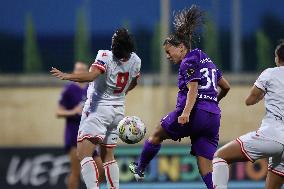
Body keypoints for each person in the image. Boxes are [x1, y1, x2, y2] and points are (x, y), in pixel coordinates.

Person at [129, 5, 230, 189]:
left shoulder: (187, 62)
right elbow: (226, 86)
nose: (167, 56)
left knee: (158, 132)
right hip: (213, 116)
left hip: (193, 114)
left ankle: (139, 168)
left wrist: (186, 112)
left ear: (181, 47)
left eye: (169, 52)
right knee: (205, 167)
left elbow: (193, 89)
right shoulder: (206, 58)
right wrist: (213, 101)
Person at [51, 28, 141, 189]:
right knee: (108, 155)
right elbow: (134, 82)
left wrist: (68, 76)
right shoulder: (136, 60)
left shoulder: (105, 56)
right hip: (118, 111)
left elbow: (92, 76)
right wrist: (122, 93)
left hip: (99, 109)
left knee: (84, 154)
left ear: (115, 45)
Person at [212, 41, 284, 189]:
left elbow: (250, 100)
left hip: (272, 135)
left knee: (220, 156)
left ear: (277, 58)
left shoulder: (270, 73)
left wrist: (264, 93)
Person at [56, 62, 104, 189]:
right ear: (74, 71)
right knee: (76, 172)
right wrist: (73, 111)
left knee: (100, 169)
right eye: (77, 70)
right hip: (73, 135)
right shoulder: (68, 90)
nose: (80, 72)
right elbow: (58, 112)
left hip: (89, 135)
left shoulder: (92, 88)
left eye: (83, 70)